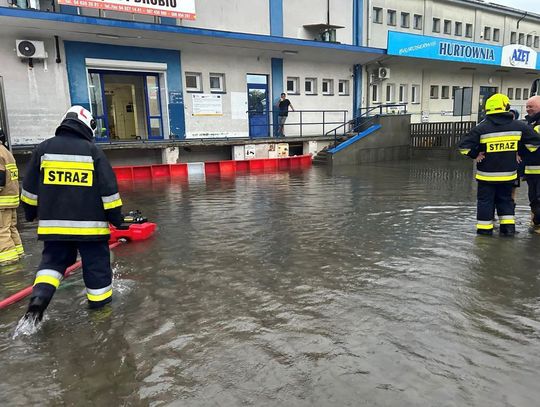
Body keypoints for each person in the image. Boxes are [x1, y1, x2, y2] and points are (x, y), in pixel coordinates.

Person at [20, 106, 124, 322]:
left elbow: (29, 190)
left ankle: (38, 301)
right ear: (88, 126)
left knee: (51, 264)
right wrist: (117, 219)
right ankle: (102, 317)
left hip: (53, 228)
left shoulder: (43, 149)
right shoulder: (93, 152)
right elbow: (109, 191)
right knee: (96, 268)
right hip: (91, 230)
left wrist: (30, 214)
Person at [458, 93, 540, 236]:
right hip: (508, 175)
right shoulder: (518, 126)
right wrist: (519, 152)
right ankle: (508, 232)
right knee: (506, 202)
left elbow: (463, 147)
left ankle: (484, 233)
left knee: (485, 203)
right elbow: (535, 143)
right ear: (506, 107)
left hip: (486, 177)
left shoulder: (481, 128)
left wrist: (475, 155)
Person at [0, 129, 23, 265]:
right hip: (11, 200)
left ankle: (8, 262)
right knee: (11, 229)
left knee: (1, 231)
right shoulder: (6, 151)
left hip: (2, 201)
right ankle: (18, 254)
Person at [522, 95, 540, 232]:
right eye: (527, 106)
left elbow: (531, 145)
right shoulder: (530, 123)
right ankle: (536, 224)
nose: (528, 109)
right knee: (533, 199)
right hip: (531, 171)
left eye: (531, 106)